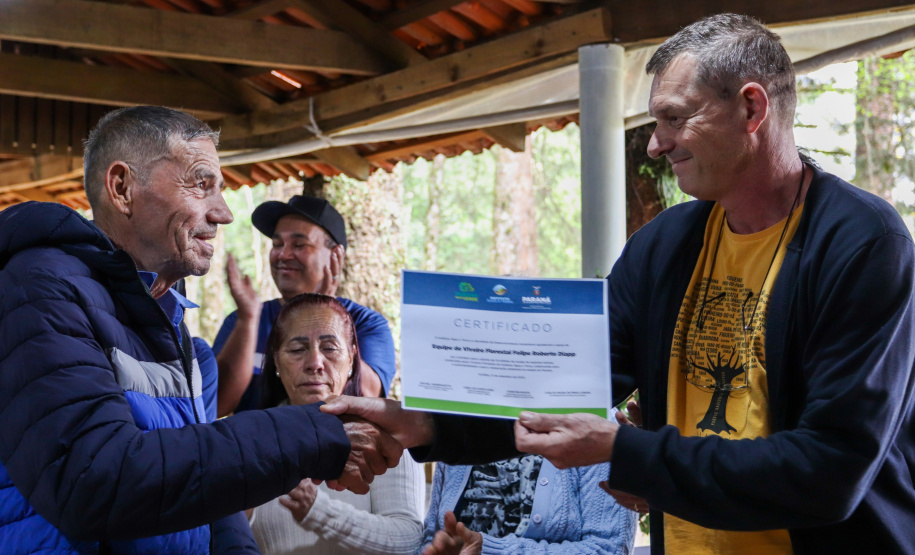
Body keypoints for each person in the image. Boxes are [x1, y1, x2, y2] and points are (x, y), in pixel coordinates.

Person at [321, 13, 915, 554]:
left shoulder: (862, 243)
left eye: (675, 118)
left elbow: (830, 471)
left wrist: (624, 452)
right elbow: (564, 383)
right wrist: (433, 425)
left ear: (752, 109)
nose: (656, 143)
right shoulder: (665, 246)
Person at [0, 106, 401, 554]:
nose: (223, 213)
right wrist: (310, 435)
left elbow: (204, 499)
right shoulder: (39, 288)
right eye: (200, 184)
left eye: (221, 190)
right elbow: (92, 479)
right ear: (122, 188)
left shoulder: (174, 331)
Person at [249, 293, 425, 555]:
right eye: (297, 350)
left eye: (330, 348)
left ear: (352, 359)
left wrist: (317, 510)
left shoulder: (386, 436)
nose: (315, 363)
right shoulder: (251, 438)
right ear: (276, 360)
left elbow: (408, 540)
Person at [213, 195, 395, 417]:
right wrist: (248, 321)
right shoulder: (244, 320)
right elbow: (216, 405)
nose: (283, 254)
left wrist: (323, 313)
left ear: (335, 255)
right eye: (277, 244)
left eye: (299, 244)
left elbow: (369, 396)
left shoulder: (366, 323)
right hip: (257, 448)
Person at [421, 453, 636, 554]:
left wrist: (490, 550)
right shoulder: (460, 427)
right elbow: (431, 537)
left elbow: (608, 550)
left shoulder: (597, 422)